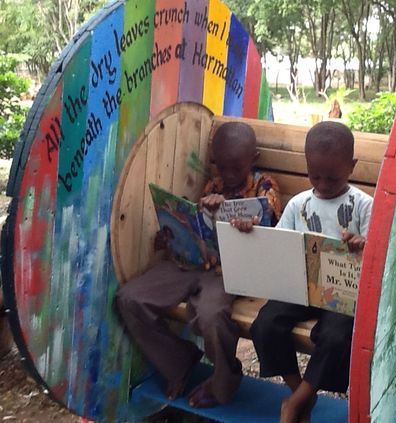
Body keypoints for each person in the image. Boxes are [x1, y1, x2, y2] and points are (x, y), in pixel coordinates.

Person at [116, 122, 281, 408]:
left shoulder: (265, 186)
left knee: (210, 314)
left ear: (253, 158)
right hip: (191, 261)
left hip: (230, 272)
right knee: (130, 299)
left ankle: (224, 379)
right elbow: (196, 228)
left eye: (236, 167)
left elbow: (269, 230)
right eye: (221, 166)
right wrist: (172, 233)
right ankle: (178, 361)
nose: (228, 175)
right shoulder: (215, 183)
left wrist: (243, 224)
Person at [246, 121, 373, 423]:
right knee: (265, 323)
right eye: (315, 176)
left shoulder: (363, 206)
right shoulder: (299, 204)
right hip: (301, 286)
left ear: (351, 167)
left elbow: (375, 256)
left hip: (342, 294)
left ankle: (296, 402)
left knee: (337, 337)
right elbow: (279, 244)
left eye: (333, 177)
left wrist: (361, 245)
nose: (324, 184)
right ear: (306, 166)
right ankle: (303, 394)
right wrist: (253, 230)